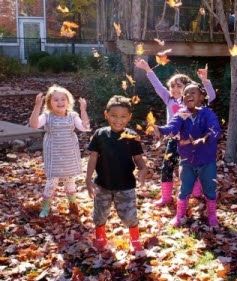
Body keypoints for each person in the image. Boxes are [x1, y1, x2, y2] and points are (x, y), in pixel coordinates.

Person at [134, 59, 216, 205]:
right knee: (167, 167)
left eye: (179, 86)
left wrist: (205, 80)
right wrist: (147, 69)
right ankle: (166, 197)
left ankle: (196, 194)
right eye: (172, 86)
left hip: (190, 142)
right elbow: (158, 86)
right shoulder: (168, 99)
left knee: (192, 168)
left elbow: (211, 96)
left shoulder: (192, 101)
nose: (175, 89)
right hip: (173, 140)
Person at [153, 82, 221, 227]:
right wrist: (161, 129)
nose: (188, 95)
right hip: (187, 160)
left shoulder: (207, 113)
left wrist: (205, 138)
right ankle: (179, 215)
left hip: (207, 161)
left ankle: (212, 215)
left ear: (201, 97)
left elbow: (215, 129)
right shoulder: (182, 113)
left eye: (192, 93)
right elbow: (172, 126)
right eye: (186, 94)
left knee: (209, 189)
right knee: (184, 188)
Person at [86, 95, 147, 252]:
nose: (118, 120)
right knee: (99, 214)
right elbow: (93, 157)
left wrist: (143, 169)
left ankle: (135, 239)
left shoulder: (132, 136)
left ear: (129, 117)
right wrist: (88, 179)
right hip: (103, 185)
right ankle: (100, 237)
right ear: (106, 114)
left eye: (123, 116)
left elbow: (138, 158)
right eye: (113, 115)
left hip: (126, 185)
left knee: (129, 216)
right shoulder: (100, 134)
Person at [29, 85, 90, 218]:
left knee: (70, 181)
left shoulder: (73, 116)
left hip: (69, 154)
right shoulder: (47, 116)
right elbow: (34, 124)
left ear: (68, 101)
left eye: (63, 99)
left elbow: (85, 127)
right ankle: (46, 207)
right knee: (52, 181)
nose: (60, 102)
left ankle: (73, 204)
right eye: (56, 100)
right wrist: (37, 106)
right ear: (49, 103)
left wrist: (83, 110)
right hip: (54, 155)